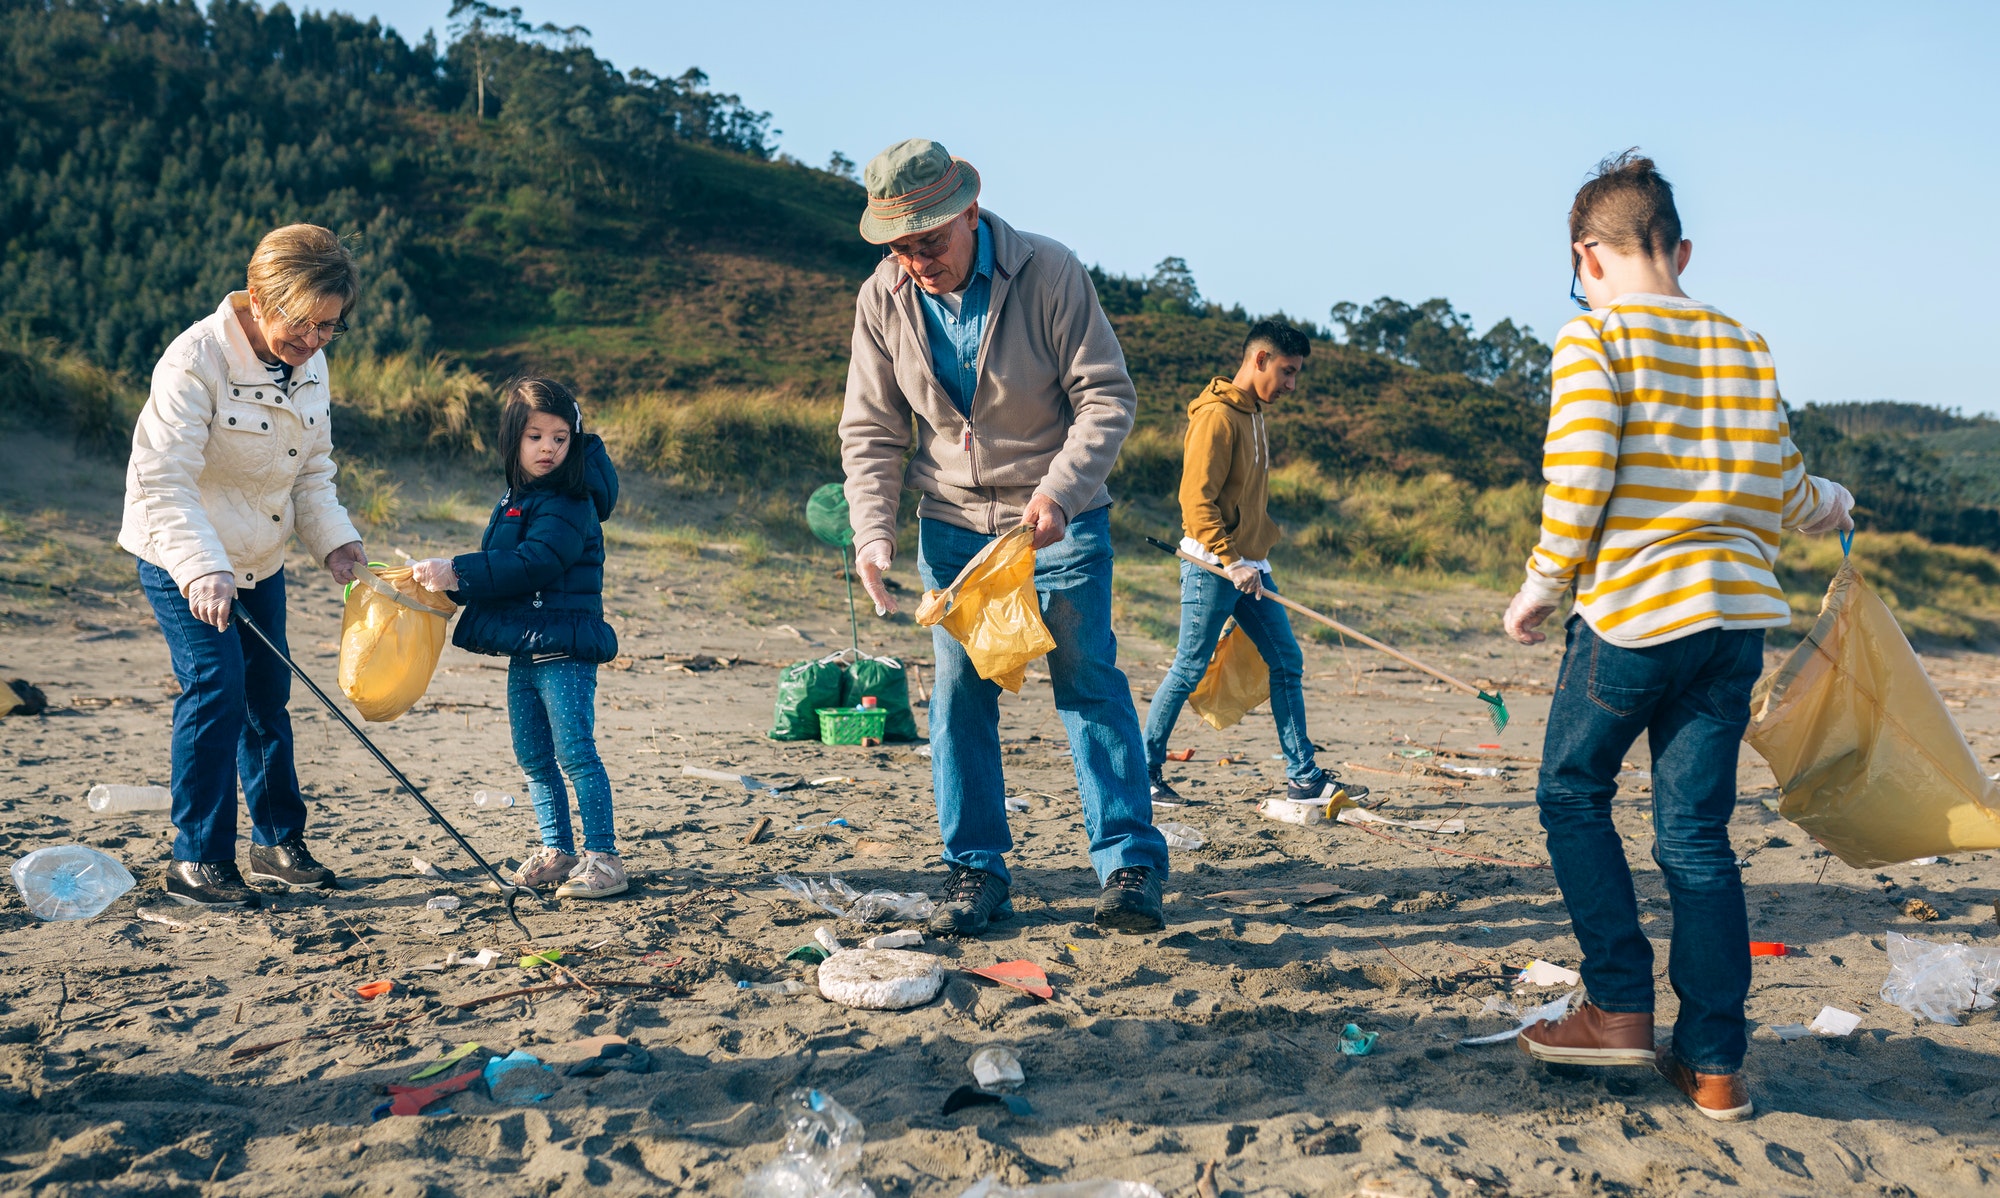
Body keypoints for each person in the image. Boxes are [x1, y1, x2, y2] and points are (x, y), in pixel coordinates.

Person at [1504, 151, 1854, 1121]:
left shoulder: (1594, 338)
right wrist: (1835, 501)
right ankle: (1711, 1066)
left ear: (1586, 256)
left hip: (1632, 617)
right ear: (1678, 247)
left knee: (1570, 791)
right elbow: (1785, 491)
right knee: (1695, 840)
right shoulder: (1741, 343)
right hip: (1734, 626)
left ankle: (1616, 1005)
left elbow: (1576, 479)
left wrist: (1540, 586)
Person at [840, 137, 1171, 936]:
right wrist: (873, 534)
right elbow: (873, 430)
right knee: (960, 697)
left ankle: (1127, 863)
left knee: (1087, 683)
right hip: (953, 529)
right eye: (901, 248)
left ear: (970, 213)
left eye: (931, 243)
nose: (918, 261)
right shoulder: (881, 300)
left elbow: (1106, 398)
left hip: (1057, 522)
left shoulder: (1050, 272)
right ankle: (975, 871)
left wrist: (1060, 491)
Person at [121, 223, 368, 909]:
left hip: (258, 557)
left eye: (330, 327)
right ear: (260, 296)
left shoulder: (310, 363)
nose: (315, 340)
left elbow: (311, 471)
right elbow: (162, 483)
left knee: (267, 699)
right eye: (303, 322)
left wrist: (335, 542)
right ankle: (196, 859)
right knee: (217, 690)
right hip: (182, 555)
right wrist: (203, 569)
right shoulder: (194, 361)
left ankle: (277, 843)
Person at [410, 379, 627, 900]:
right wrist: (451, 586)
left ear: (573, 442)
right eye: (535, 436)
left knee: (576, 753)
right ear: (514, 440)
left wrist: (458, 570)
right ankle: (559, 850)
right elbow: (504, 574)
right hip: (527, 648)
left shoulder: (571, 502)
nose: (548, 448)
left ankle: (604, 858)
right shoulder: (515, 499)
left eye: (559, 437)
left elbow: (536, 563)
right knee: (533, 756)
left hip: (566, 649)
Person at [1142, 320, 1369, 808]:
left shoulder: (1253, 414)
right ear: (1259, 360)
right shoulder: (1217, 417)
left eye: (1296, 375)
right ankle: (1144, 771)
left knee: (1287, 661)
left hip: (1251, 566)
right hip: (1213, 566)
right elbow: (1195, 502)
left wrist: (1251, 559)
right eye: (1287, 372)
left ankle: (1303, 776)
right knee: (1188, 667)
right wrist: (1229, 558)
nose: (1291, 385)